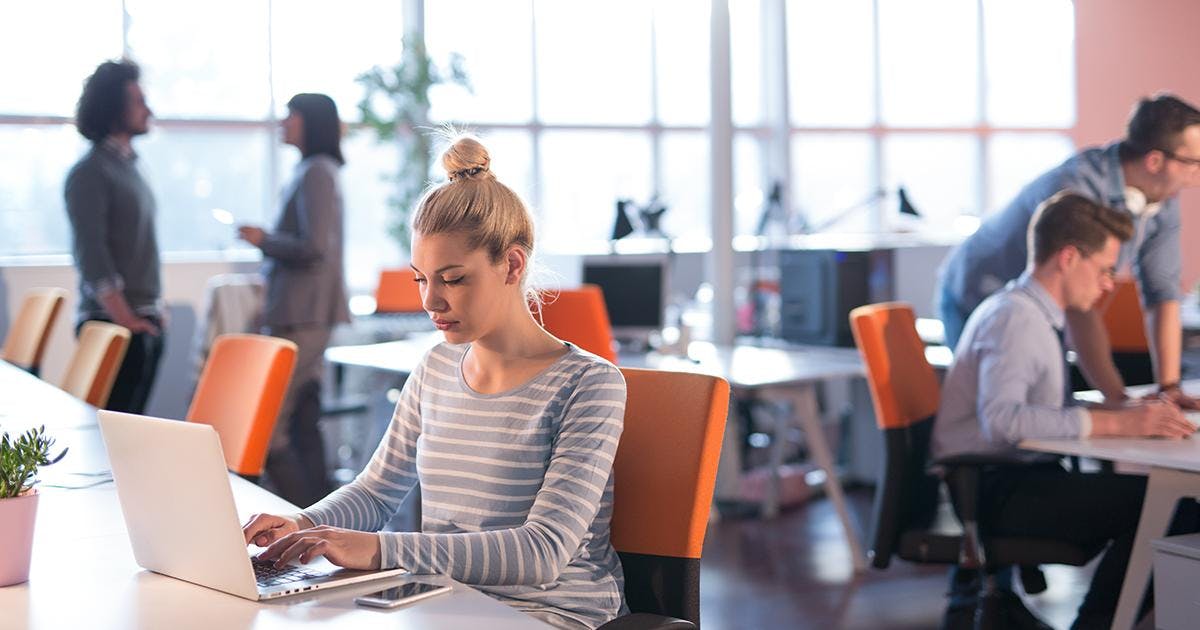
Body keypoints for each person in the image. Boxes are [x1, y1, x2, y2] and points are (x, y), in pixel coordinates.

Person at [242, 136, 628, 629]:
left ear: (511, 265)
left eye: (453, 279)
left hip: (551, 613)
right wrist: (303, 525)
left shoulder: (588, 384)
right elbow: (377, 493)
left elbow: (543, 552)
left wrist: (378, 549)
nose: (430, 301)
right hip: (446, 604)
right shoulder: (435, 368)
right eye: (421, 279)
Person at [932, 191, 1196, 630]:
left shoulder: (1033, 314)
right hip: (994, 490)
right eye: (1105, 269)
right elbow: (1001, 420)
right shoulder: (1015, 319)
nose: (1110, 283)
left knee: (1171, 504)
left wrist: (1129, 412)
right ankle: (1098, 624)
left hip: (1012, 479)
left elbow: (1040, 410)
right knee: (1175, 509)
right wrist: (1116, 421)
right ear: (1068, 258)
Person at [935, 94, 1200, 408]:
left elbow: (1163, 294)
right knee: (1009, 413)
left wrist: (1168, 389)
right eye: (1193, 162)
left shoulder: (1163, 200)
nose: (1196, 174)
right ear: (1155, 161)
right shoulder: (1077, 189)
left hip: (1046, 309)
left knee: (1050, 406)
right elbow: (1077, 304)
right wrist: (1119, 401)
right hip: (977, 293)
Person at [237, 93, 351, 507]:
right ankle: (326, 520)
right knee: (304, 421)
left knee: (269, 432)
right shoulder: (313, 170)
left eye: (291, 116)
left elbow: (314, 246)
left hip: (303, 315)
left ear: (310, 122)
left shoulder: (316, 172)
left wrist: (262, 240)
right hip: (301, 313)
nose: (284, 124)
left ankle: (308, 523)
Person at [64, 59, 164, 413]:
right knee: (110, 438)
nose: (148, 110)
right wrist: (126, 319)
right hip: (113, 326)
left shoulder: (131, 168)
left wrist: (152, 312)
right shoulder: (90, 172)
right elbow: (92, 255)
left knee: (131, 431)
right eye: (138, 101)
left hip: (140, 320)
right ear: (113, 108)